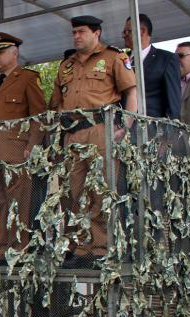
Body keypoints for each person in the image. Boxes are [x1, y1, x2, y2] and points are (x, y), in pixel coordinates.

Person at [51, 15, 137, 267]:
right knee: (73, 192)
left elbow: (131, 92)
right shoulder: (66, 65)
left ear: (96, 33)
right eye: (74, 32)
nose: (76, 36)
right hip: (72, 133)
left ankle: (101, 248)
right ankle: (80, 248)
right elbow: (55, 103)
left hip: (100, 129)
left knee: (100, 191)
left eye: (81, 32)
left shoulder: (114, 57)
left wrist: (126, 127)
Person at [0, 32, 46, 263]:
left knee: (18, 202)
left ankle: (18, 247)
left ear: (14, 53)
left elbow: (39, 116)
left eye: (1, 52)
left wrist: (32, 146)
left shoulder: (27, 78)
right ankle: (0, 248)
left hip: (16, 151)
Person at [122, 14, 181, 119]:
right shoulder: (121, 59)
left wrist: (167, 133)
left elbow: (173, 104)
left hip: (151, 129)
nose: (124, 35)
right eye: (124, 32)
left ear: (143, 31)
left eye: (128, 31)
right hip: (119, 128)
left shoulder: (166, 59)